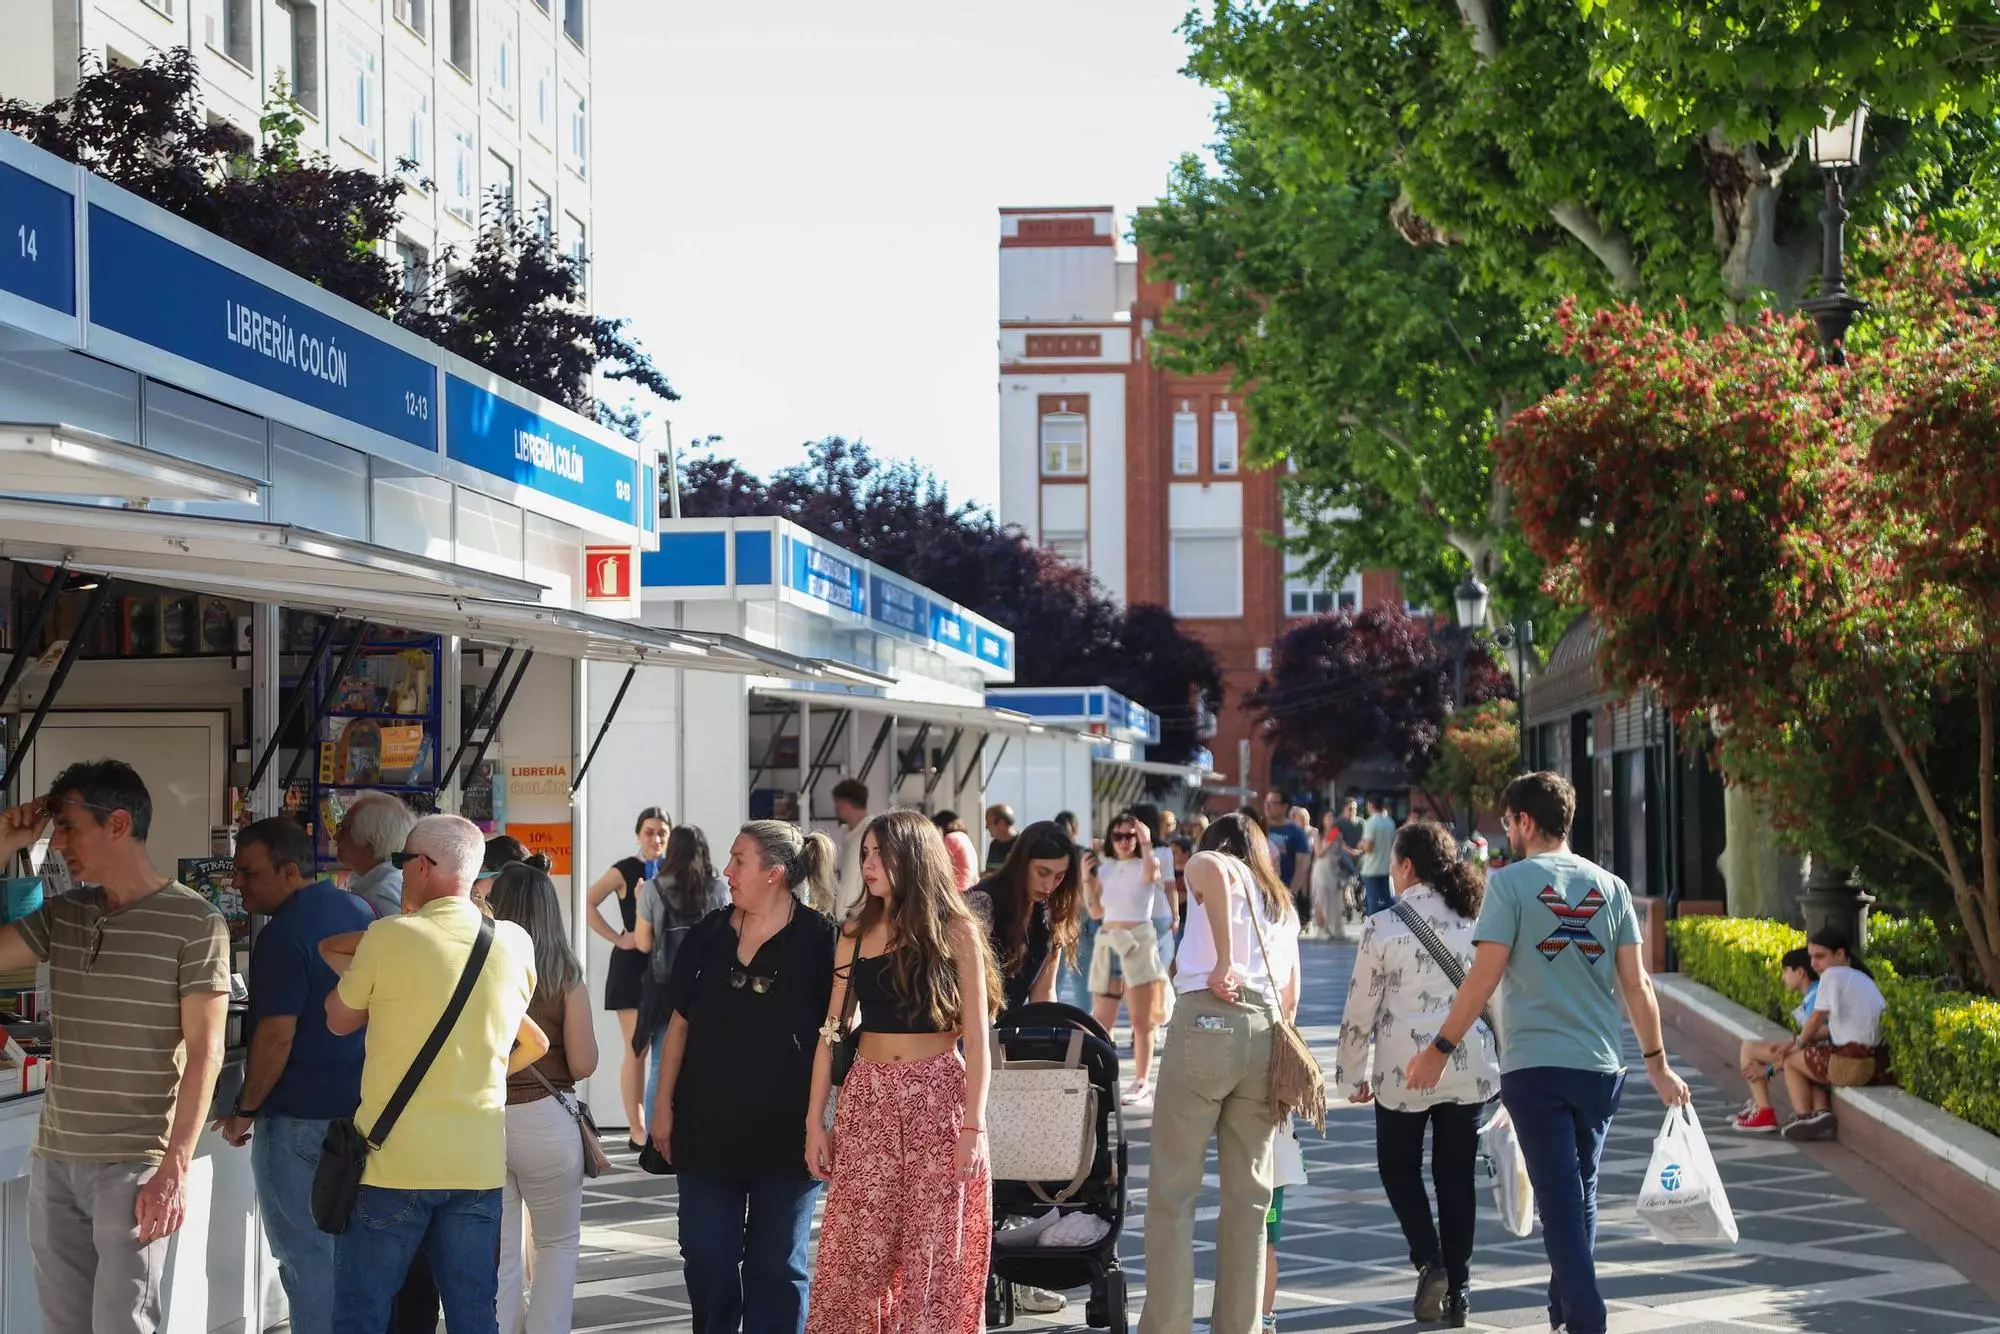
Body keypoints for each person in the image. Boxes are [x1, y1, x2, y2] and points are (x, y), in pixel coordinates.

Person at [1405, 772, 1690, 1334]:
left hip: (1535, 1067)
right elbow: (1638, 986)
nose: (1508, 831)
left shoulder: (1510, 885)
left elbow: (1483, 977)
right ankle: (1565, 1310)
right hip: (1600, 1066)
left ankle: (1586, 1318)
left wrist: (1439, 1048)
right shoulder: (1611, 888)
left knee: (1561, 1197)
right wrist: (1658, 1065)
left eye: (1508, 822)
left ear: (1525, 821)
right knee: (1579, 1192)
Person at [0, 762, 231, 1334]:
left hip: (134, 1166)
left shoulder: (195, 922)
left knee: (123, 1325)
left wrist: (173, 1168)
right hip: (56, 1158)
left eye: (70, 827)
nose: (59, 843)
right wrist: (2, 847)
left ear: (118, 823)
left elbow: (207, 1053)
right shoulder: (66, 913)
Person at [324, 815, 546, 1334]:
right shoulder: (514, 943)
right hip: (476, 1164)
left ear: (421, 866)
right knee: (474, 1314)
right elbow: (518, 1034)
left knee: (363, 1313)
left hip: (392, 1163)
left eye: (403, 863)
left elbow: (337, 1019)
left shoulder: (388, 938)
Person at [804, 810, 1000, 1333]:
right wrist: (815, 1122)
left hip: (939, 1097)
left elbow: (979, 1039)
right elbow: (831, 1031)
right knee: (856, 1250)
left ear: (913, 857)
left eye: (880, 854)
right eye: (865, 854)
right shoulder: (854, 932)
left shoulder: (956, 930)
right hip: (868, 1098)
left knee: (933, 1255)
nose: (868, 865)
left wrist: (974, 1127)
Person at [651, 822, 837, 1334]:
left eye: (738, 861)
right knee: (706, 1256)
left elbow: (835, 1037)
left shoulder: (822, 940)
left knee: (776, 1267)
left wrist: (824, 1120)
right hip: (704, 1129)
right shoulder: (707, 935)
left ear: (774, 873)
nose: (726, 871)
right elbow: (679, 1025)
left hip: (787, 1135)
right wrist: (662, 1107)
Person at [212, 816, 375, 1334]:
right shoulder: (357, 908)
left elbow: (275, 1037)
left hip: (299, 1118)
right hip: (358, 1113)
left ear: (288, 871)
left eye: (249, 872)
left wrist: (244, 1110)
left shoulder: (284, 933)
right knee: (346, 1258)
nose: (237, 883)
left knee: (306, 1260)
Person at [1141, 812, 1299, 1334]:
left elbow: (1208, 866)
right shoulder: (1280, 902)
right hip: (1266, 1033)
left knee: (1173, 1191)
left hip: (1207, 1019)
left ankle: (1167, 1327)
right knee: (1249, 1199)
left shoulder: (1212, 864)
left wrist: (1226, 959)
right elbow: (1291, 995)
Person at [1336, 821, 1499, 1327]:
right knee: (1456, 1177)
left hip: (1403, 1070)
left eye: (1392, 864)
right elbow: (1498, 994)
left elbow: (1360, 1009)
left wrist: (1350, 1076)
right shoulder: (1477, 918)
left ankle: (1431, 1261)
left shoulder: (1382, 926)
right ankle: (1461, 1291)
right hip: (1468, 1065)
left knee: (1397, 1166)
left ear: (1406, 866)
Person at [486, 862, 598, 1334]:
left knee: (500, 1252)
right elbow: (584, 1063)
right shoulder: (565, 977)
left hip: (487, 1118)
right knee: (556, 1245)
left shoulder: (480, 970)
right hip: (547, 1121)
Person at [583, 806, 671, 1145]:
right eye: (649, 831)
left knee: (667, 1049)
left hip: (667, 966)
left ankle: (661, 1124)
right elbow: (589, 901)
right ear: (638, 835)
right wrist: (619, 937)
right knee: (637, 1048)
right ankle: (637, 1128)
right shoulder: (625, 869)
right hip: (632, 967)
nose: (656, 838)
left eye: (662, 832)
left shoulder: (676, 869)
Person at [634, 826, 731, 1127]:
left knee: (660, 1065)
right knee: (709, 1063)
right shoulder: (718, 890)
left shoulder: (652, 889)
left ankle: (654, 1139)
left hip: (665, 991)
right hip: (708, 988)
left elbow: (643, 944)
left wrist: (639, 900)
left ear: (672, 851)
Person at [1779, 926, 1888, 1142]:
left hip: (1850, 1065)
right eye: (1811, 957)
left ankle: (1803, 1115)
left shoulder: (1831, 975)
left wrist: (1797, 1044)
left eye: (1820, 956)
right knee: (1814, 1058)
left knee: (1792, 1061)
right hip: (1877, 1065)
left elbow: (1814, 1021)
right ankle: (1820, 1113)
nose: (1813, 964)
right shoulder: (1863, 977)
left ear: (1840, 954)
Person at [1091, 811, 1170, 1103]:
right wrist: (1086, 880)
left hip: (1138, 941)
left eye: (1130, 835)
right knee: (1102, 1019)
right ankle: (1101, 1077)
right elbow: (1096, 911)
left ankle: (1141, 1080)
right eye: (1118, 835)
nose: (1124, 841)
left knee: (1141, 1019)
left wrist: (1146, 842)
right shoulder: (1105, 867)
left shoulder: (1147, 861)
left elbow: (1152, 875)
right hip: (1109, 941)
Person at [966, 820, 1083, 1013]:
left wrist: (1046, 1029)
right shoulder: (983, 901)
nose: (1049, 885)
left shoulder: (1050, 913)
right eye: (1042, 873)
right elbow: (964, 983)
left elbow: (1044, 994)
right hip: (965, 1022)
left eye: (1059, 876)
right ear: (1021, 864)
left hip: (1009, 1025)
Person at [1729, 948, 1818, 1134]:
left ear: (1800, 972)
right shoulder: (1814, 993)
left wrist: (1768, 1069)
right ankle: (1761, 1107)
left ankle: (1764, 1112)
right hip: (1810, 1051)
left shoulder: (1816, 995)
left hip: (1817, 1055)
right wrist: (1789, 1042)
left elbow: (1811, 1040)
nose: (1783, 978)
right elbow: (1808, 1036)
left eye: (1786, 971)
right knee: (1749, 1046)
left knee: (1749, 1049)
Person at [337, 790, 419, 918]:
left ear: (369, 841)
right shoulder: (391, 881)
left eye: (343, 828)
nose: (336, 836)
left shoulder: (382, 897)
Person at [1262, 790, 1315, 926]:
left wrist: (1291, 893)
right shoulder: (1258, 827)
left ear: (1285, 806)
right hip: (1260, 890)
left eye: (1273, 803)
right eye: (1266, 802)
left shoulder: (1296, 832)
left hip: (1284, 889)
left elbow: (1302, 866)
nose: (1268, 806)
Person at [830, 778, 871, 920]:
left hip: (859, 917)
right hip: (849, 918)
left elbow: (856, 883)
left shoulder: (869, 834)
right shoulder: (851, 835)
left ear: (843, 804)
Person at [1358, 795, 1399, 916]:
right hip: (1386, 866)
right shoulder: (1390, 822)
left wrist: (1361, 845)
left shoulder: (1371, 822)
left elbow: (1369, 846)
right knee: (1386, 900)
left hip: (1372, 868)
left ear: (1370, 805)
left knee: (1374, 902)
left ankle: (1374, 924)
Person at [934, 810, 981, 891]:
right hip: (971, 886)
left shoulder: (951, 838)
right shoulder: (963, 837)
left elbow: (939, 864)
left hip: (960, 889)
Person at [984, 803, 1019, 872]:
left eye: (989, 823)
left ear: (1001, 823)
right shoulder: (994, 844)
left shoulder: (1022, 844)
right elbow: (990, 871)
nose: (986, 827)